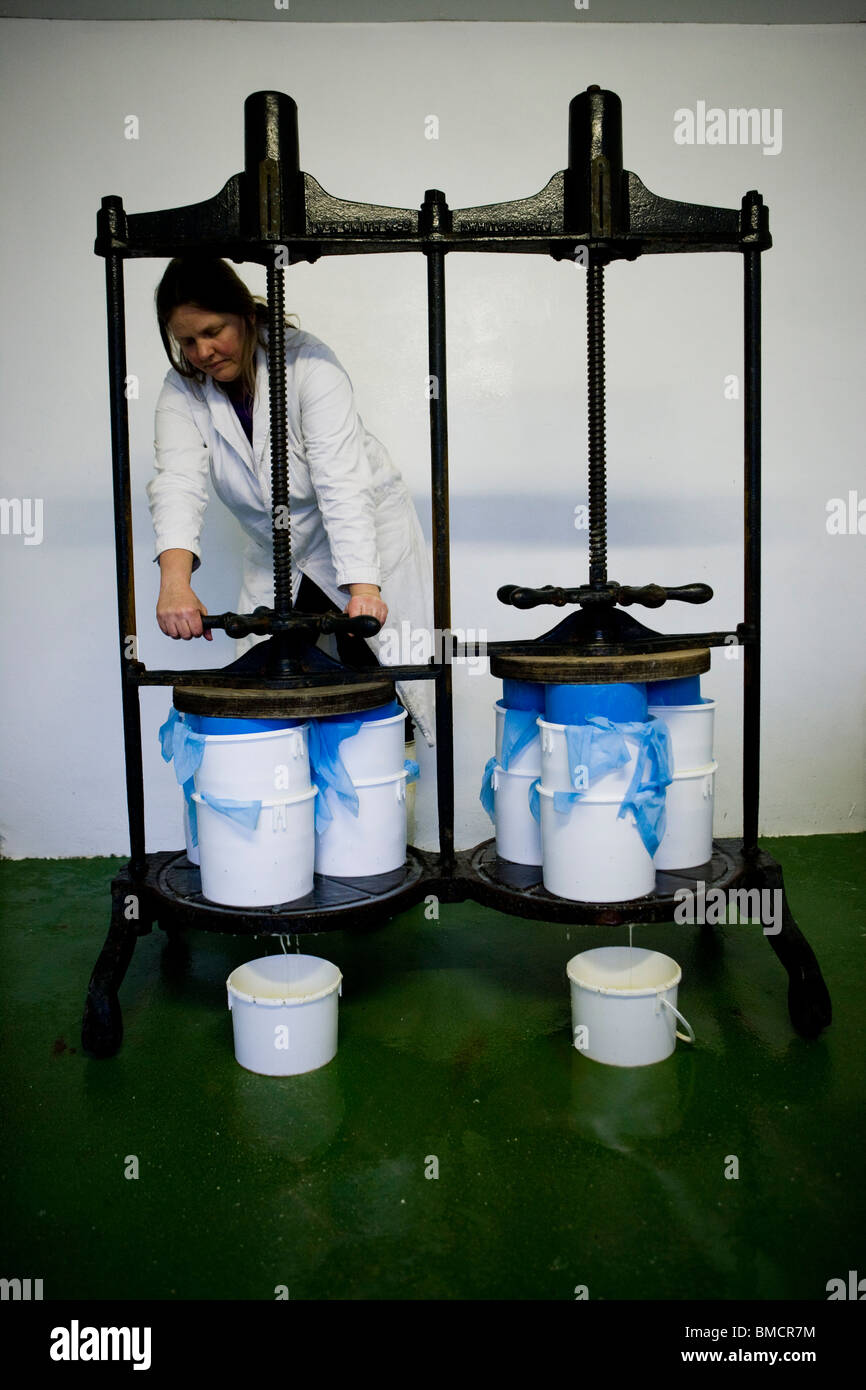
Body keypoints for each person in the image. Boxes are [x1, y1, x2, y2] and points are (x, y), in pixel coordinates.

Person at [147, 257, 435, 746]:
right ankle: (292, 803)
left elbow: (340, 483)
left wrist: (364, 588)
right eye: (187, 341)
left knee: (378, 681)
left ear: (247, 314)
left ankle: (383, 801)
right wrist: (174, 584)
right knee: (268, 686)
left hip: (359, 533)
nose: (203, 352)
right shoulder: (183, 390)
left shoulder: (309, 365)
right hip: (277, 550)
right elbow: (176, 483)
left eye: (213, 331)